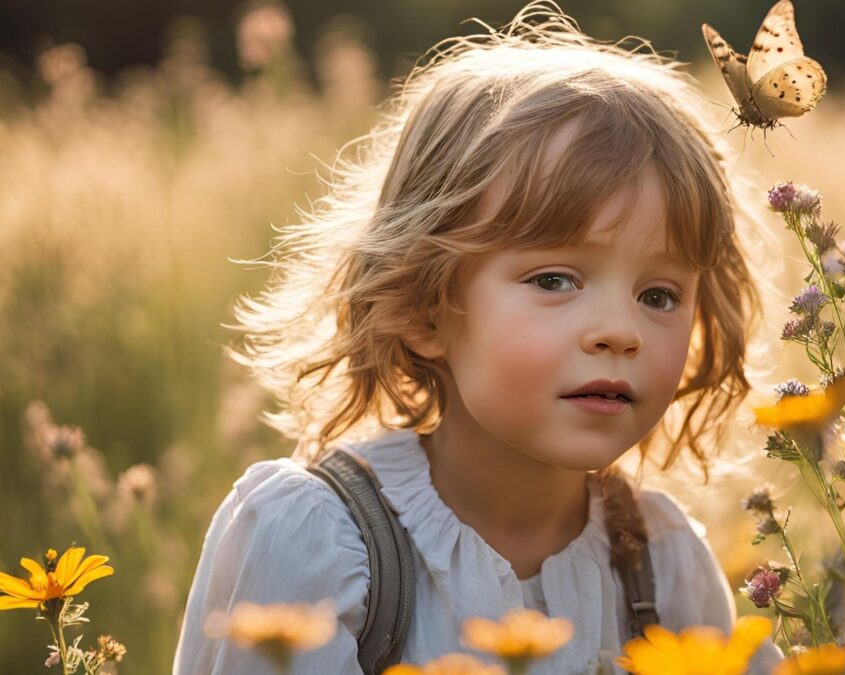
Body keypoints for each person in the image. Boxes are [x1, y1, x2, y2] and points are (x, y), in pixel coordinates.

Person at [174, 2, 788, 672]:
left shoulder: (665, 565)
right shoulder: (316, 542)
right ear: (424, 307)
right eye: (555, 280)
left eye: (659, 295)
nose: (621, 331)